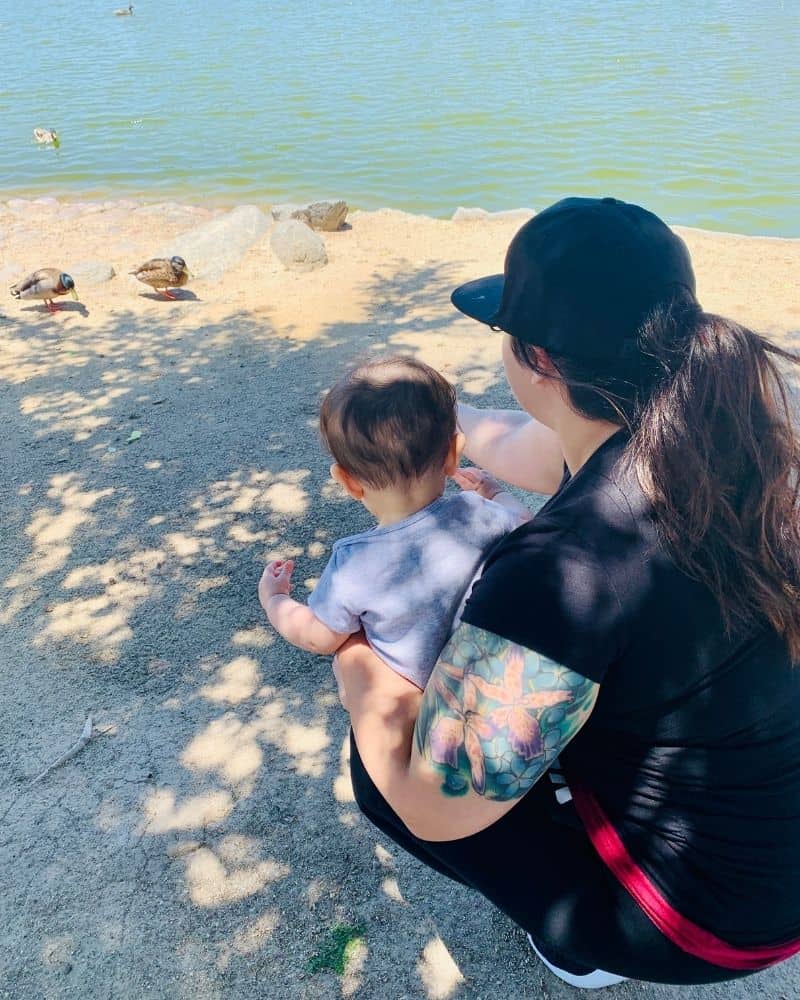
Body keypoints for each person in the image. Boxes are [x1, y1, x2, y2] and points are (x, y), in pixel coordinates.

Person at [332, 197, 800, 988]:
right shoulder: (724, 430)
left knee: (385, 763)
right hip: (772, 852)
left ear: (538, 360)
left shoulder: (559, 573)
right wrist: (433, 428)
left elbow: (433, 802)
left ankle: (582, 945)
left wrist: (351, 651)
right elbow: (534, 448)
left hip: (706, 922)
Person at [258, 356, 524, 689]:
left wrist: (275, 600)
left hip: (422, 705)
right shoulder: (480, 514)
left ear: (348, 482)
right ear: (453, 454)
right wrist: (493, 491)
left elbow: (318, 636)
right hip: (492, 685)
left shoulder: (354, 564)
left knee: (351, 668)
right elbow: (527, 523)